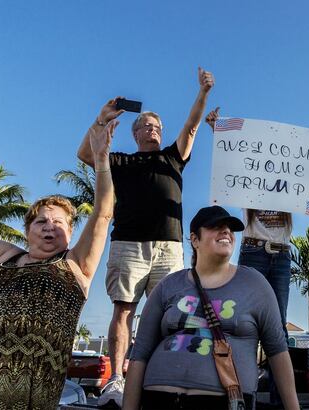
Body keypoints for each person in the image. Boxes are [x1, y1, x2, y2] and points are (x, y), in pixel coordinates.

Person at [0, 122, 114, 409]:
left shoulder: (76, 265)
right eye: (41, 221)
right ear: (28, 230)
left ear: (71, 233)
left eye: (59, 223)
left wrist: (102, 162)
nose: (49, 228)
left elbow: (103, 214)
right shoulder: (4, 256)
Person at [77, 67, 215, 407]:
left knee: (174, 312)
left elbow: (193, 126)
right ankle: (117, 379)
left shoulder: (173, 157)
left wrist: (202, 93)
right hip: (127, 244)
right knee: (123, 311)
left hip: (168, 247)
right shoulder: (121, 160)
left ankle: (164, 373)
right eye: (146, 125)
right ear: (136, 132)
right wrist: (100, 119)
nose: (152, 129)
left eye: (157, 126)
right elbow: (85, 155)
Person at [204, 108, 309, 405]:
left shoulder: (290, 189)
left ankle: (280, 400)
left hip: (281, 256)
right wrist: (216, 130)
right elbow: (234, 160)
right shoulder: (250, 184)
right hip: (253, 251)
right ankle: (242, 395)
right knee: (244, 322)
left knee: (277, 328)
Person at [122, 205, 299, 410]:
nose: (226, 232)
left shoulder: (254, 284)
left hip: (223, 401)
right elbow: (140, 354)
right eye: (216, 226)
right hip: (159, 398)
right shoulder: (168, 285)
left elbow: (277, 350)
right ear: (195, 239)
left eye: (229, 228)